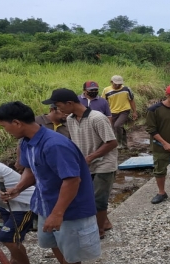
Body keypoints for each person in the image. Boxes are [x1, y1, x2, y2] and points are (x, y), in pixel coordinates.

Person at [0, 99, 100, 264]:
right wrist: (17, 188)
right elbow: (30, 169)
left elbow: (72, 180)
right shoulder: (26, 142)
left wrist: (58, 213)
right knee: (55, 242)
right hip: (45, 201)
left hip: (69, 206)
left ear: (16, 123)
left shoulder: (55, 144)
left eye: (4, 126)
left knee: (71, 246)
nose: (4, 130)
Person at [45, 89, 118, 240]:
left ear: (70, 103)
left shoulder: (97, 118)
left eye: (59, 106)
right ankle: (105, 223)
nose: (59, 110)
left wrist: (91, 157)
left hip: (103, 164)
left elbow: (112, 142)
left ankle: (99, 232)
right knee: (87, 197)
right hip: (85, 165)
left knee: (98, 199)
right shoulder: (71, 119)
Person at [102, 75, 138, 149]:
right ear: (111, 82)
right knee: (116, 128)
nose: (118, 85)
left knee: (117, 126)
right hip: (112, 112)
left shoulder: (126, 89)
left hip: (124, 110)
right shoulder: (106, 90)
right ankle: (124, 145)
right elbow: (104, 102)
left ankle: (118, 144)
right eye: (116, 84)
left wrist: (134, 112)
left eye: (120, 84)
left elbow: (131, 100)